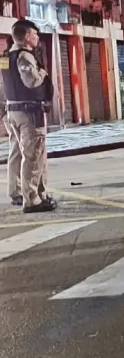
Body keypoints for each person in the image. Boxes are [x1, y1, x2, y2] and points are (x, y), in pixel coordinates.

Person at [0, 20, 55, 213]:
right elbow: (31, 81)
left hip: (12, 112)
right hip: (29, 113)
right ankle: (32, 199)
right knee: (33, 156)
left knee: (19, 153)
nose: (38, 38)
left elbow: (4, 84)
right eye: (35, 34)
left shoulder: (6, 57)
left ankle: (21, 192)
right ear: (27, 36)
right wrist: (42, 71)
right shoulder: (24, 56)